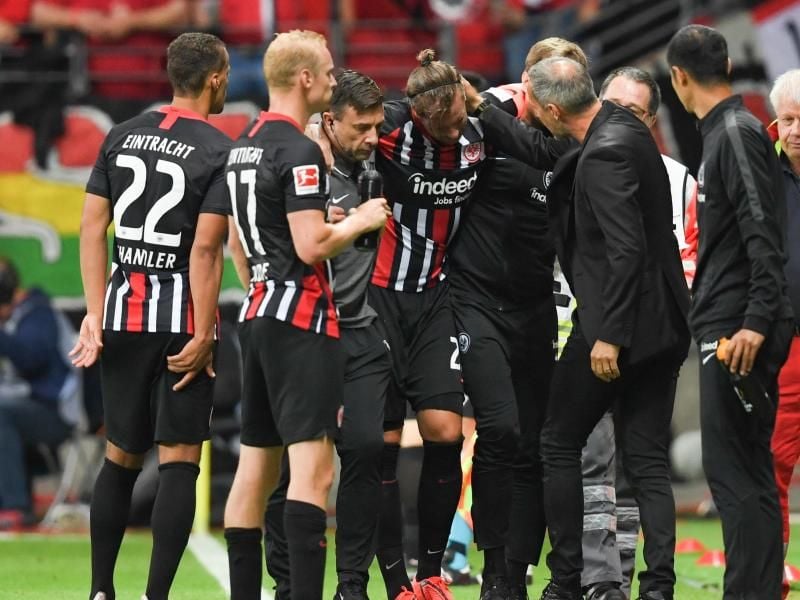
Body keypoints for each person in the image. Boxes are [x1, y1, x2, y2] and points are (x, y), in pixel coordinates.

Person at [466, 56, 691, 600]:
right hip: (665, 323)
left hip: (621, 322)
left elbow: (625, 250)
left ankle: (566, 579)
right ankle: (658, 587)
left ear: (548, 107)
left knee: (557, 439)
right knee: (647, 460)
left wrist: (609, 334)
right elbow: (547, 153)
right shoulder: (625, 129)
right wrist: (483, 109)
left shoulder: (603, 153)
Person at [222, 31, 389, 600]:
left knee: (255, 470)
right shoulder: (298, 150)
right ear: (305, 80)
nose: (335, 77)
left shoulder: (244, 142)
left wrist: (262, 285)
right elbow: (314, 245)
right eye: (328, 69)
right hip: (302, 319)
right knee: (313, 473)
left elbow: (237, 244)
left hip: (258, 310)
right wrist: (362, 220)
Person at [69, 31, 232, 600]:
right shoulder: (217, 150)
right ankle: (155, 596)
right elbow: (205, 250)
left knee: (120, 456)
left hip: (122, 316)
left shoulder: (121, 134)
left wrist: (95, 312)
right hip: (180, 321)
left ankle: (99, 590)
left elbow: (93, 227)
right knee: (180, 462)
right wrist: (205, 330)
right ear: (214, 78)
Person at [446, 38, 579, 599]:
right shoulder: (486, 118)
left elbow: (544, 159)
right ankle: (493, 561)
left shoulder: (572, 138)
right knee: (498, 429)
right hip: (476, 298)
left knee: (533, 444)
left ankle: (514, 572)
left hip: (535, 304)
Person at [667, 24, 796, 600]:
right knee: (750, 475)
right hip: (734, 321)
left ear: (678, 77)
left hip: (737, 328)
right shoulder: (730, 130)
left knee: (737, 476)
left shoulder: (736, 134)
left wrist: (754, 320)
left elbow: (762, 235)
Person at [368, 48, 489, 600]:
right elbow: (335, 124)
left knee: (445, 431)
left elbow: (524, 99)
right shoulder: (389, 129)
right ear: (419, 115)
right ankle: (395, 580)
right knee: (384, 443)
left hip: (436, 296)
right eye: (445, 124)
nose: (455, 130)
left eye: (460, 117)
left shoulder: (481, 129)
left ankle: (432, 573)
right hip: (380, 300)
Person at [579, 66, 697, 600]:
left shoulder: (675, 176)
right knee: (613, 461)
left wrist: (620, 328)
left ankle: (628, 580)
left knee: (626, 459)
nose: (619, 117)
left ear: (651, 119)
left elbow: (687, 255)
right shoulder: (645, 167)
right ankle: (623, 578)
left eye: (632, 111)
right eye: (613, 106)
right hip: (625, 326)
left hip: (629, 330)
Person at [0, 257, 79, 530]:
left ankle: (14, 506)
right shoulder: (17, 318)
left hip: (56, 412)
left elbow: (32, 359)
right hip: (27, 407)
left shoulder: (38, 313)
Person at [768, 68, 800, 600]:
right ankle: (766, 576)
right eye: (788, 118)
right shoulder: (755, 168)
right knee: (768, 467)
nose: (796, 129)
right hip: (783, 342)